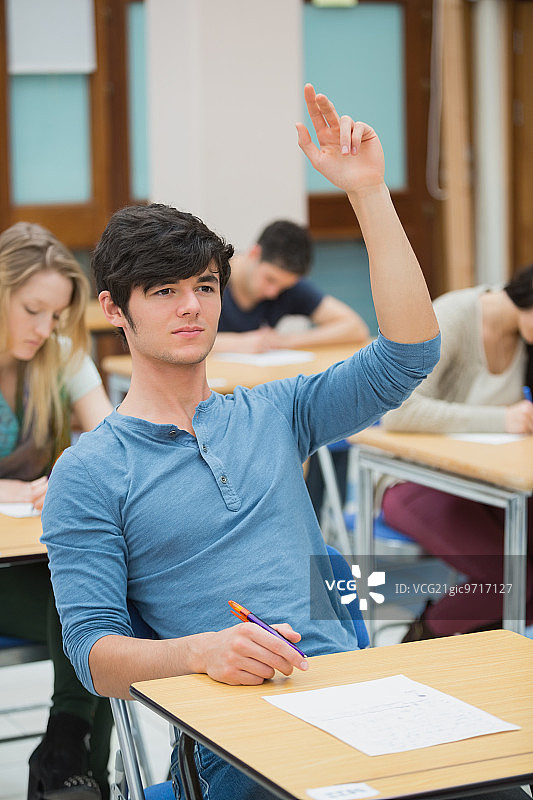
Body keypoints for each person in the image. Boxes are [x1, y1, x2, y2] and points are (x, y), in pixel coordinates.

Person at [41, 84, 440, 800]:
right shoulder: (91, 472)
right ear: (113, 309)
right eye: (163, 291)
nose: (191, 305)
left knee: (495, 783)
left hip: (360, 705)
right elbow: (94, 658)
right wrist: (203, 653)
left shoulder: (275, 412)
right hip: (237, 741)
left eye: (203, 284)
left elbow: (408, 354)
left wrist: (368, 193)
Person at [0, 221, 114, 799]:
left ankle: (69, 757)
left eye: (56, 315)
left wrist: (72, 478)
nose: (44, 329)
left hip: (41, 573)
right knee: (85, 603)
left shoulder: (60, 354)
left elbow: (111, 445)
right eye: (31, 310)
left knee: (97, 599)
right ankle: (72, 763)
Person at [379, 267, 533, 640]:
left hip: (489, 483)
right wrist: (503, 419)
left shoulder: (525, 340)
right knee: (511, 578)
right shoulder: (453, 316)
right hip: (418, 481)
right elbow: (399, 413)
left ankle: (477, 649)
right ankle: (420, 643)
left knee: (521, 579)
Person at [214, 218, 369, 353]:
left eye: (283, 287)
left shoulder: (287, 285)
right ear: (255, 253)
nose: (273, 293)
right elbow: (189, 343)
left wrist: (284, 341)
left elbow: (355, 328)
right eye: (270, 279)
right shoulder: (210, 279)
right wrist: (239, 343)